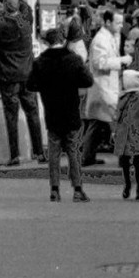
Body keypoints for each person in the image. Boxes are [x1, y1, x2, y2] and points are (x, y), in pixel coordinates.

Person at [25, 24, 93, 203]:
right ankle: (78, 189)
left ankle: (54, 189)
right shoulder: (73, 59)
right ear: (62, 40)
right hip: (70, 111)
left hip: (52, 112)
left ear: (47, 42)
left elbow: (30, 85)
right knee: (73, 150)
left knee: (54, 152)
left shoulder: (40, 62)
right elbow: (87, 80)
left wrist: (45, 87)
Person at [0, 0, 43, 166]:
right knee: (33, 113)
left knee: (11, 115)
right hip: (27, 75)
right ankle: (39, 152)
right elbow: (28, 9)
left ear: (5, 7)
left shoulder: (0, 25)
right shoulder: (26, 23)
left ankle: (14, 155)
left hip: (8, 77)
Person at [82, 7, 125, 165]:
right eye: (118, 22)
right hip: (104, 88)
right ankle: (124, 158)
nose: (121, 25)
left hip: (104, 86)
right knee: (119, 119)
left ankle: (87, 157)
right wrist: (121, 61)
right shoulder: (101, 40)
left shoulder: (110, 36)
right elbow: (99, 63)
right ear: (107, 22)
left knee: (96, 122)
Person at [113, 66, 139, 200]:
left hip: (127, 133)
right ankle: (136, 187)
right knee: (135, 162)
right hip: (136, 133)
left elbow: (117, 115)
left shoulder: (124, 98)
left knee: (128, 162)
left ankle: (130, 186)